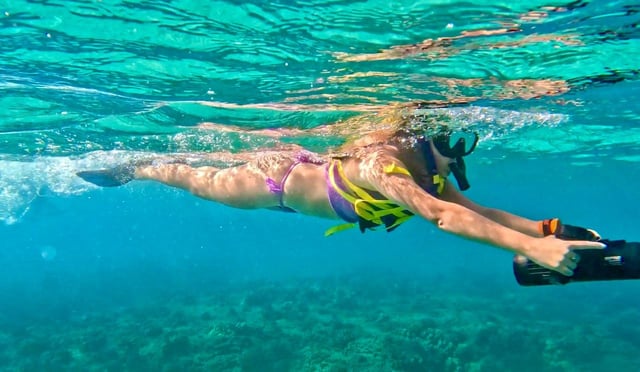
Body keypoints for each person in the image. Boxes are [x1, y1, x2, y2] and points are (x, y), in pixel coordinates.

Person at [77, 103, 605, 277]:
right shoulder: (385, 165)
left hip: (316, 173)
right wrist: (532, 250)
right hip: (273, 184)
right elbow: (441, 218)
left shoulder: (432, 172)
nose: (461, 154)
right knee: (194, 178)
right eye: (456, 140)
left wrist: (545, 230)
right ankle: (136, 167)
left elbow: (474, 208)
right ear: (427, 134)